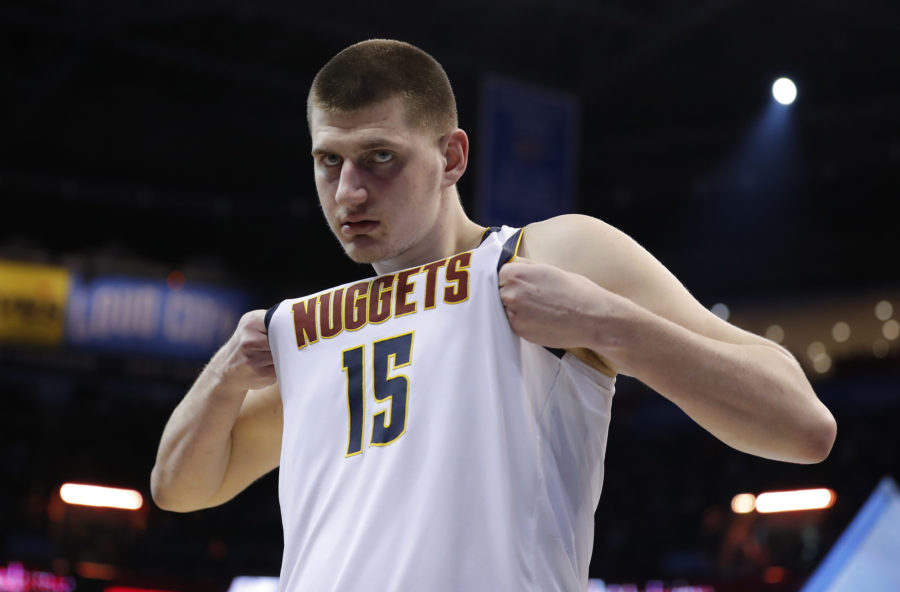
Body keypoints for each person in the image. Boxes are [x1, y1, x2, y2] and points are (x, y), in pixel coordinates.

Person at [151, 39, 836, 591]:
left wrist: (607, 324)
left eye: (379, 157)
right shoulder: (317, 325)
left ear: (451, 157)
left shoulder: (547, 253)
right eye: (328, 162)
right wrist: (223, 374)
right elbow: (181, 488)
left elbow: (803, 425)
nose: (349, 191)